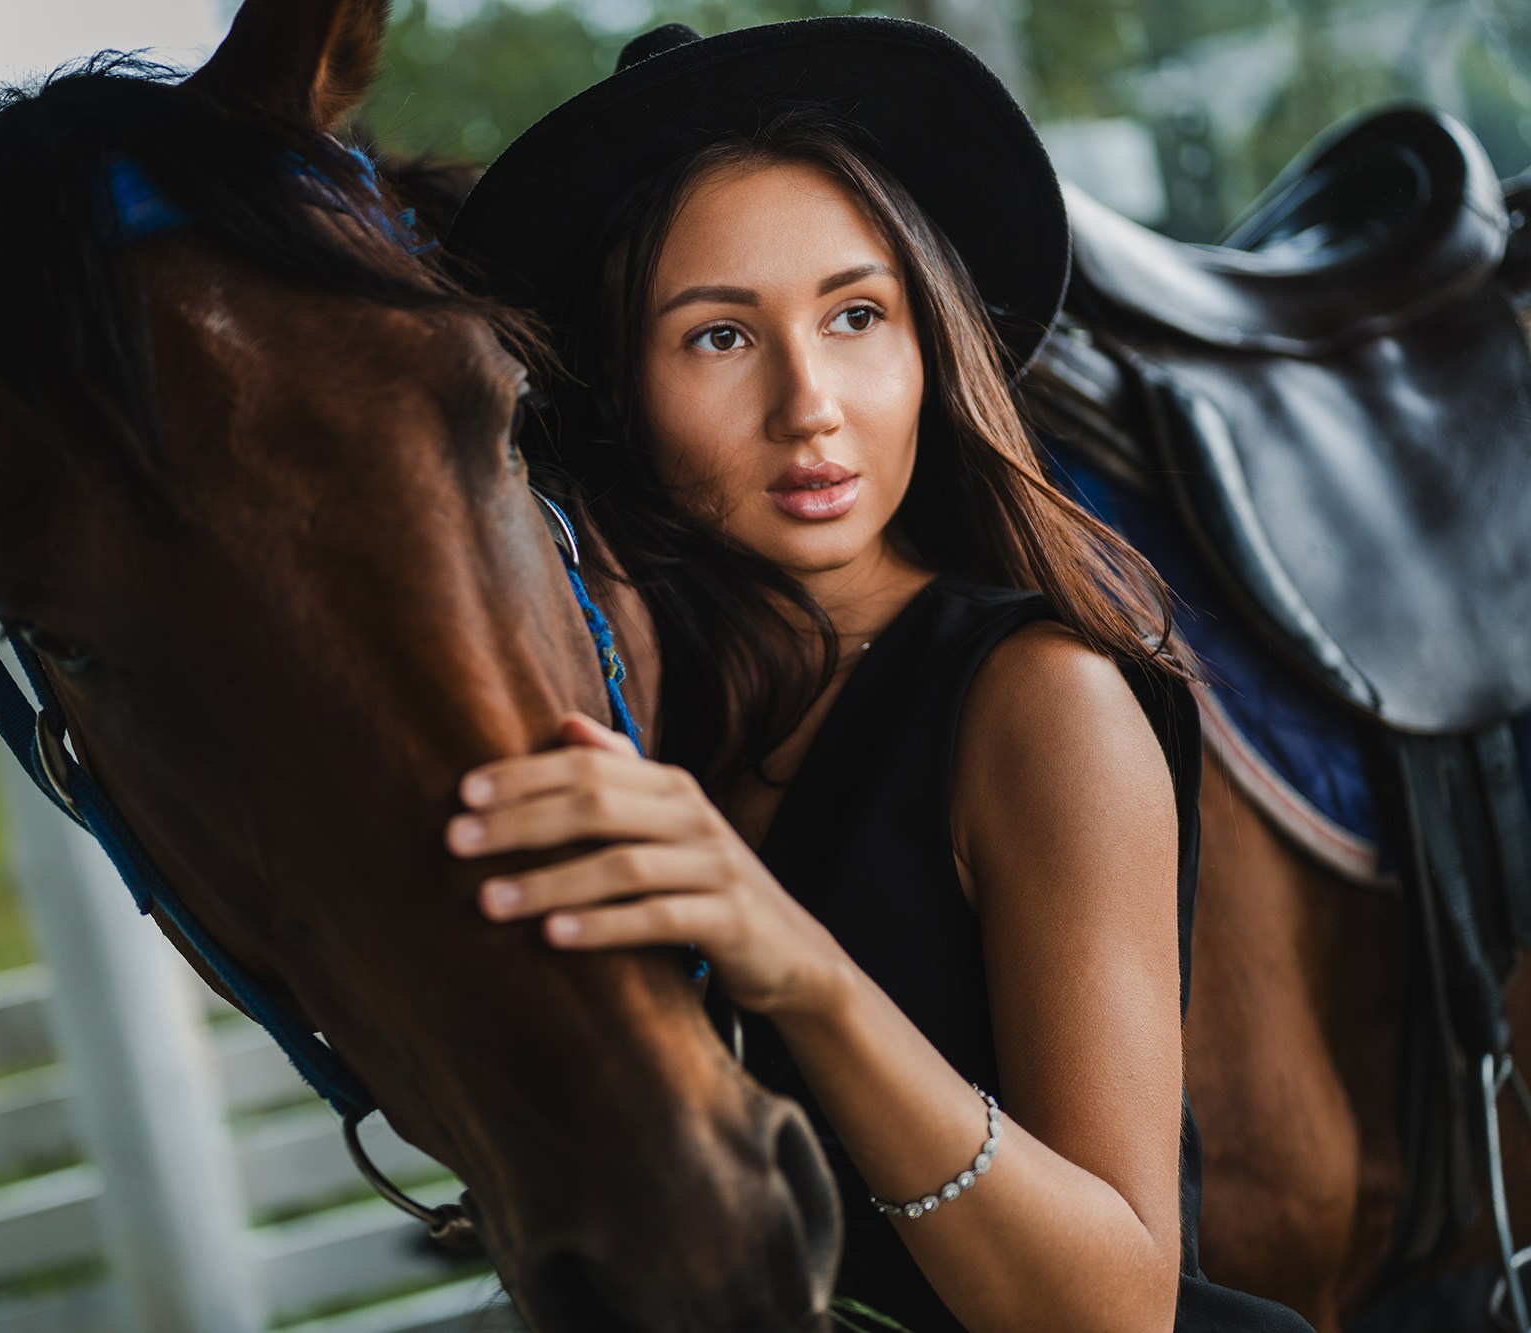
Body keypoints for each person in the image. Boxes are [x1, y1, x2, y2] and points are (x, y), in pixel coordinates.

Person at [439, 18, 1316, 1333]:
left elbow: (1117, 1314)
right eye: (718, 337)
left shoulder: (1043, 707)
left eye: (857, 316)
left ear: (929, 343)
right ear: (614, 390)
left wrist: (801, 967)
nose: (810, 403)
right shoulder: (623, 733)